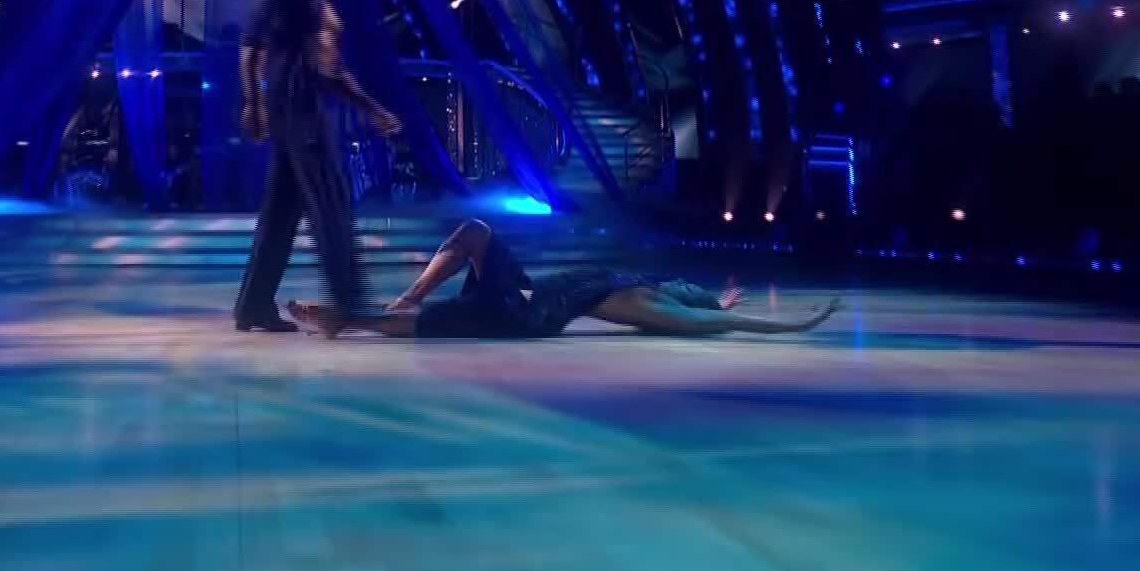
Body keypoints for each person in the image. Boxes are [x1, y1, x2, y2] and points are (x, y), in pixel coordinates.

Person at [232, 0, 402, 332]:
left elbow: (254, 49)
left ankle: (253, 305)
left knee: (280, 214)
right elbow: (327, 68)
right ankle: (349, 304)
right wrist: (253, 103)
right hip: (303, 113)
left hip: (286, 113)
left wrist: (257, 102)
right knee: (331, 204)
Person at [286, 219, 841, 339]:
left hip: (526, 313)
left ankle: (352, 318)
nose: (682, 289)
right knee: (475, 235)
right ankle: (380, 308)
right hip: (524, 295)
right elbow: (708, 310)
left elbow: (716, 323)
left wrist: (796, 324)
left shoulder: (647, 305)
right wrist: (717, 303)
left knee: (447, 315)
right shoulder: (642, 285)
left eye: (688, 295)